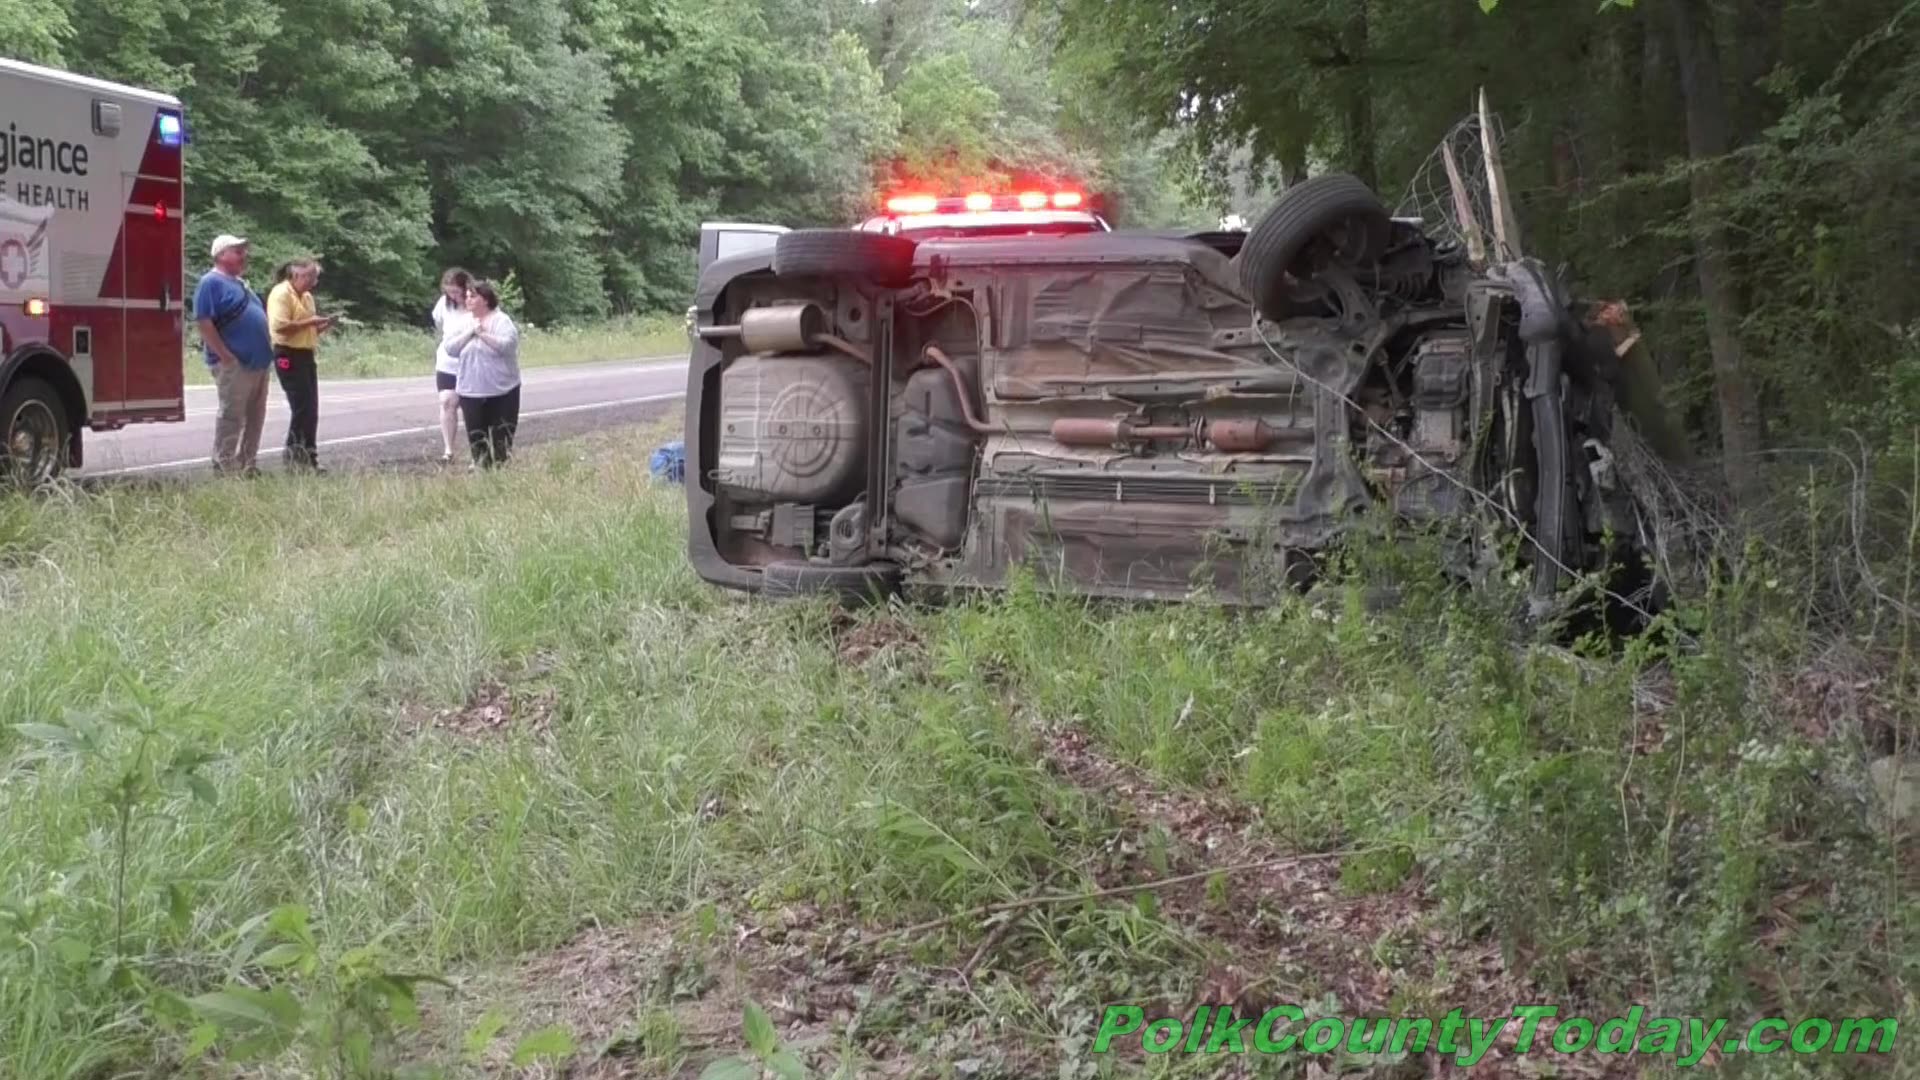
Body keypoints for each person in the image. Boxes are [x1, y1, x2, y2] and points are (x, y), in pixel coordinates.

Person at [194, 235, 276, 475]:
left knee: (255, 417)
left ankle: (248, 463)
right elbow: (203, 320)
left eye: (244, 251)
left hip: (258, 362)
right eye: (237, 250)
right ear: (220, 255)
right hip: (235, 363)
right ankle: (224, 463)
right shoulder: (211, 282)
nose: (243, 255)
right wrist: (225, 355)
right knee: (232, 415)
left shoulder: (241, 284)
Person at [443, 280, 521, 468]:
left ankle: (501, 473)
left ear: (485, 299)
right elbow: (450, 348)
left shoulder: (501, 320)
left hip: (502, 390)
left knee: (502, 439)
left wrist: (483, 334)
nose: (467, 300)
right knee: (477, 439)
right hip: (471, 390)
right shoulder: (463, 322)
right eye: (467, 296)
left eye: (473, 296)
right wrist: (471, 332)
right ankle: (481, 472)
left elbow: (507, 347)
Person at [266, 258, 334, 472]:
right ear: (295, 275)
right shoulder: (281, 293)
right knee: (301, 406)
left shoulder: (306, 297)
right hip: (288, 354)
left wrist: (322, 325)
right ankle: (294, 457)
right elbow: (280, 327)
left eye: (316, 277)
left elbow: (308, 329)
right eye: (309, 276)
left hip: (306, 354)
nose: (313, 281)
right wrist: (311, 322)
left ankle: (310, 456)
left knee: (311, 407)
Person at [430, 268, 474, 463]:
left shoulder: (476, 302)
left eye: (457, 292)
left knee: (471, 406)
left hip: (471, 363)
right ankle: (449, 450)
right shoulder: (444, 304)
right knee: (447, 402)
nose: (453, 296)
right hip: (447, 363)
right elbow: (439, 324)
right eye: (450, 292)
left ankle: (478, 449)